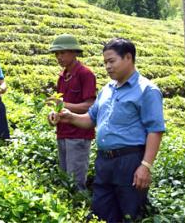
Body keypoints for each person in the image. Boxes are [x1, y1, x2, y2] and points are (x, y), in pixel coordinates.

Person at [50, 38, 165, 222]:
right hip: (104, 160)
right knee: (101, 212)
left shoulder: (147, 90)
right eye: (105, 63)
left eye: (112, 61)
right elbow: (91, 119)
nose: (108, 67)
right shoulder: (107, 90)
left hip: (129, 161)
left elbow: (155, 130)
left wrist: (145, 166)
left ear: (128, 58)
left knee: (129, 213)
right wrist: (70, 117)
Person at [47, 34, 96, 191]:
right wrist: (54, 114)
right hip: (63, 132)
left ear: (74, 52)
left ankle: (80, 211)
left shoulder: (85, 74)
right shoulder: (62, 76)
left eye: (63, 53)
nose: (59, 57)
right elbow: (62, 106)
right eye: (57, 54)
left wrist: (63, 104)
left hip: (79, 134)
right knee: (65, 179)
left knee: (75, 182)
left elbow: (90, 105)